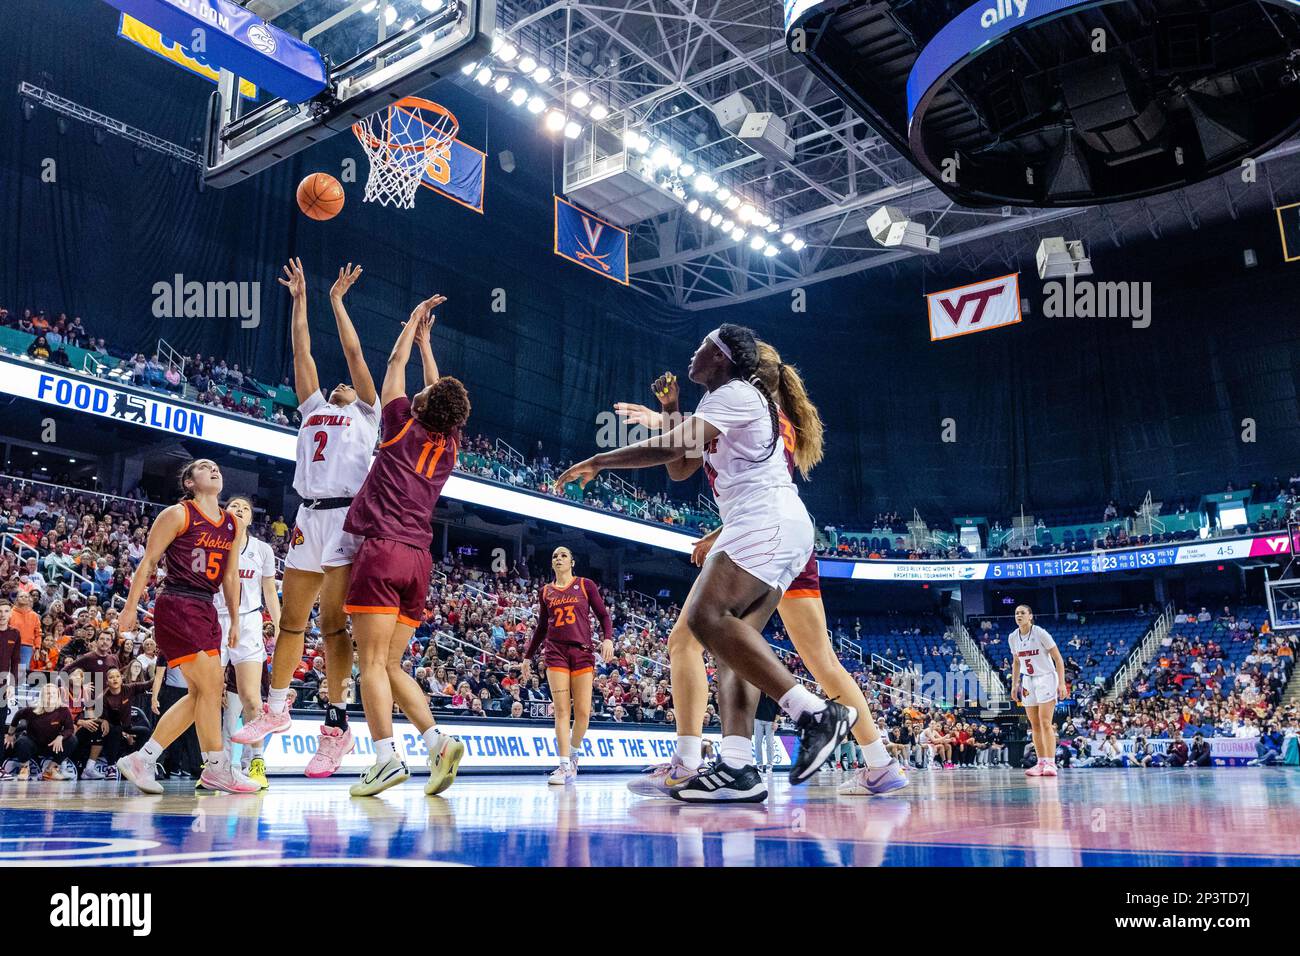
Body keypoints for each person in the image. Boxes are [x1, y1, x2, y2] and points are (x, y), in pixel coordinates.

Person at [558, 326, 856, 801]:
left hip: (765, 519)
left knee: (704, 617)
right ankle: (738, 767)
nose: (691, 354)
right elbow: (682, 466)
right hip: (769, 525)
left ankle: (814, 714)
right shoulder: (721, 403)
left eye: (701, 347)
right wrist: (673, 412)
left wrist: (599, 459)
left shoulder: (738, 392)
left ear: (720, 358)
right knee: (729, 645)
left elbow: (669, 449)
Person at [618, 342, 901, 800]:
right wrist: (669, 414)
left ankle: (689, 762)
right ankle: (879, 763)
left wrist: (667, 423)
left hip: (764, 538)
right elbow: (726, 469)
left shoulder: (746, 410)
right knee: (813, 660)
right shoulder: (769, 415)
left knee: (690, 638)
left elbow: (713, 467)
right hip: (784, 539)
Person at [233, 261, 379, 778]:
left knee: (335, 628)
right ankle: (276, 708)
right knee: (292, 621)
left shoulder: (368, 413)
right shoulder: (312, 406)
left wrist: (337, 301)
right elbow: (303, 350)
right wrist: (300, 299)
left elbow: (354, 354)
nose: (340, 383)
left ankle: (336, 727)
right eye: (336, 383)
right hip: (307, 517)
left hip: (345, 517)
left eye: (348, 384)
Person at [339, 292, 470, 797]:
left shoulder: (399, 426)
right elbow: (442, 395)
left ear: (422, 406)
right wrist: (428, 345)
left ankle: (385, 757)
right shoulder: (449, 444)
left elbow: (392, 364)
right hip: (419, 558)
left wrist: (412, 323)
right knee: (391, 664)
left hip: (383, 549)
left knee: (368, 664)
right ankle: (437, 741)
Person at [114, 459, 255, 794]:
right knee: (209, 687)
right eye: (205, 468)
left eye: (218, 467)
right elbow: (148, 561)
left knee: (201, 694)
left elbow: (231, 576)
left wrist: (235, 619)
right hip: (177, 601)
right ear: (190, 482)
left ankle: (143, 759)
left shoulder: (232, 523)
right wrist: (130, 608)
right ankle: (217, 767)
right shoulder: (178, 514)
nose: (215, 470)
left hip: (207, 606)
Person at [523, 547, 613, 785]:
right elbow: (542, 627)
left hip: (582, 652)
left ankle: (573, 754)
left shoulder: (585, 584)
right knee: (562, 711)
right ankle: (563, 765)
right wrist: (527, 656)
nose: (558, 558)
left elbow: (603, 615)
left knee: (583, 712)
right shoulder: (546, 591)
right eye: (554, 556)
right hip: (555, 653)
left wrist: (607, 638)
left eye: (563, 555)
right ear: (552, 564)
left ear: (572, 561)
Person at [216, 495, 280, 789]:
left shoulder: (262, 549)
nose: (240, 510)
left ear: (251, 519)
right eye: (234, 506)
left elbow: (269, 590)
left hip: (250, 622)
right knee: (209, 697)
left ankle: (256, 762)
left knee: (252, 699)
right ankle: (216, 764)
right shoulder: (213, 543)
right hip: (215, 618)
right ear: (223, 512)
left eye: (245, 508)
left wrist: (279, 624)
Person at [1009, 604, 1066, 777]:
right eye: (1017, 613)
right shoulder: (1013, 637)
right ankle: (1040, 763)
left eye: (1022, 613)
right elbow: (1017, 662)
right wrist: (1014, 684)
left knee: (1045, 721)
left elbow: (1058, 658)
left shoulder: (1040, 633)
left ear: (1030, 616)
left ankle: (1051, 762)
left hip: (1046, 677)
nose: (1019, 615)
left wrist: (1062, 683)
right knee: (1033, 724)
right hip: (1028, 680)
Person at [3, 681, 76, 780]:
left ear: (58, 696)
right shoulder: (32, 709)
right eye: (48, 693)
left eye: (54, 693)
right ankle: (24, 768)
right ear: (42, 696)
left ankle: (51, 770)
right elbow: (17, 716)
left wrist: (61, 736)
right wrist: (10, 734)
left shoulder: (63, 710)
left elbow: (70, 728)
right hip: (34, 744)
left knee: (72, 740)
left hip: (52, 745)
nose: (51, 696)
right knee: (22, 741)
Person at [753, 691, 778, 773]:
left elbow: (779, 709)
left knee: (770, 743)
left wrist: (776, 721)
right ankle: (759, 764)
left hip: (770, 721)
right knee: (757, 742)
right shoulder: (758, 691)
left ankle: (770, 765)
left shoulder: (775, 693)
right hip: (758, 719)